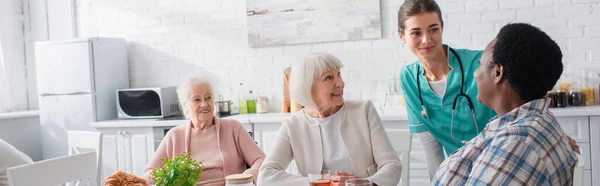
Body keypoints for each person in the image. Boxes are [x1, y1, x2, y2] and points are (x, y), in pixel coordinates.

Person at [432, 23, 578, 185]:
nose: (475, 73)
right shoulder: (532, 123)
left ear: (497, 73)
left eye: (480, 64)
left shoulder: (515, 147)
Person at [257, 53, 402, 186]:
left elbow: (391, 165)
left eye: (339, 75)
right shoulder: (292, 126)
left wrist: (365, 183)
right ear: (307, 86)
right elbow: (266, 176)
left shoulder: (363, 111)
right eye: (329, 78)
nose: (340, 83)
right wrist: (315, 183)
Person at [397, 0, 496, 177]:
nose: (426, 40)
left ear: (442, 28)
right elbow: (431, 150)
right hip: (458, 174)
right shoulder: (409, 79)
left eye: (433, 29)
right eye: (416, 33)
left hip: (497, 165)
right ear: (402, 36)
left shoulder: (478, 64)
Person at [143, 72, 266, 185]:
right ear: (185, 106)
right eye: (197, 99)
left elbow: (261, 160)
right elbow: (151, 171)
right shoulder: (174, 136)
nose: (204, 104)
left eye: (208, 98)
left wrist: (244, 178)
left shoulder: (233, 128)